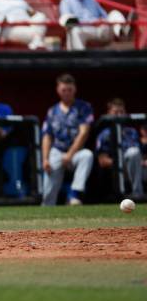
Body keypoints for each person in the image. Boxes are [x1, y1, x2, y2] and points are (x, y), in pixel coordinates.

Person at [41, 73, 94, 206]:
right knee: (48, 193)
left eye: (69, 89)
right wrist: (45, 159)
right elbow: (47, 136)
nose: (67, 93)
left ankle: (74, 195)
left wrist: (70, 155)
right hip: (57, 151)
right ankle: (46, 212)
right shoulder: (52, 111)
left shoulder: (83, 107)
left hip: (75, 152)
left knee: (87, 155)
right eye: (64, 90)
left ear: (74, 89)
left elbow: (84, 133)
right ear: (58, 90)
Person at [59, 0, 131, 51]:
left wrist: (102, 21)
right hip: (83, 29)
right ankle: (79, 60)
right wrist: (91, 22)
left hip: (100, 29)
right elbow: (68, 20)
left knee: (114, 14)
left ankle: (123, 33)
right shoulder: (65, 1)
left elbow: (105, 16)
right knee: (75, 31)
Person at [96, 98, 144, 198]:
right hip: (117, 172)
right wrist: (122, 162)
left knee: (134, 153)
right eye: (116, 112)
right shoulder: (105, 134)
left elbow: (140, 156)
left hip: (137, 168)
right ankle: (137, 194)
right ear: (109, 113)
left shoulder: (132, 131)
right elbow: (102, 161)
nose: (119, 115)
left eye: (121, 112)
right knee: (133, 153)